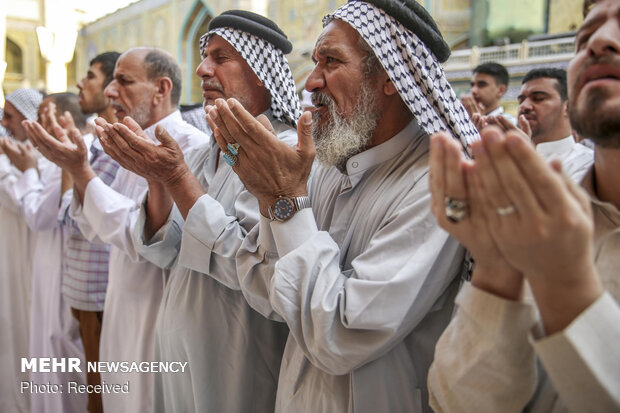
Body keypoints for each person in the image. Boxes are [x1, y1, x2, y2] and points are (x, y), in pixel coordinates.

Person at [206, 1, 479, 411]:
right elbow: (263, 289)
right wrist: (270, 197)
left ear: (390, 75)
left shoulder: (435, 183)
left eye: (331, 62)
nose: (311, 81)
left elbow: (339, 336)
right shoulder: (327, 165)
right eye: (315, 62)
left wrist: (283, 200)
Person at [96, 11, 297, 411]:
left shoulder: (284, 153)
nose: (203, 69)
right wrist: (156, 178)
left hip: (234, 357)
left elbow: (252, 264)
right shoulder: (210, 151)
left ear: (260, 71)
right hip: (177, 350)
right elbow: (164, 250)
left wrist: (175, 177)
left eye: (221, 58)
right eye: (205, 56)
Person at [427, 0, 620, 410]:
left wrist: (564, 286)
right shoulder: (537, 219)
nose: (600, 41)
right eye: (584, 36)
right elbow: (456, 401)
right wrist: (497, 270)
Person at [26, 47, 208, 413]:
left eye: (123, 82)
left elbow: (142, 237)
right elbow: (96, 229)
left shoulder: (190, 147)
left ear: (161, 89)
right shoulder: (133, 139)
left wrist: (81, 172)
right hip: (120, 302)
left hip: (156, 314)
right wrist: (77, 171)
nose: (110, 92)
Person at [10, 93, 89, 413]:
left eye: (43, 118)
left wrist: (25, 170)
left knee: (61, 349)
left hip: (64, 266)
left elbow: (38, 216)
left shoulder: (59, 159)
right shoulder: (47, 157)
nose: (37, 126)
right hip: (48, 264)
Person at [58, 51, 120, 413]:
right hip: (83, 285)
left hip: (101, 291)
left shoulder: (111, 147)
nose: (81, 83)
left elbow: (77, 214)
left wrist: (71, 164)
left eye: (91, 76)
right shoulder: (95, 143)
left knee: (104, 391)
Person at [0, 88, 42, 413]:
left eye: (9, 116)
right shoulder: (18, 151)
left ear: (30, 121)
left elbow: (23, 200)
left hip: (29, 261)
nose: (4, 123)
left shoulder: (39, 155)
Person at [518, 68, 593, 182]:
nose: (524, 106)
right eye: (521, 101)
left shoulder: (588, 163)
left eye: (538, 99)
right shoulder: (509, 158)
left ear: (568, 108)